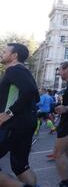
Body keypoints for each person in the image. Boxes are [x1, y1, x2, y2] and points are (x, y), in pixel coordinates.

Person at [0, 43, 40, 187]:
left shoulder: (13, 70)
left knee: (20, 165)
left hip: (12, 125)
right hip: (24, 124)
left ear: (14, 55)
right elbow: (36, 96)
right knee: (20, 166)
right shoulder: (24, 71)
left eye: (5, 51)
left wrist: (9, 113)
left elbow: (29, 92)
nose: (2, 53)